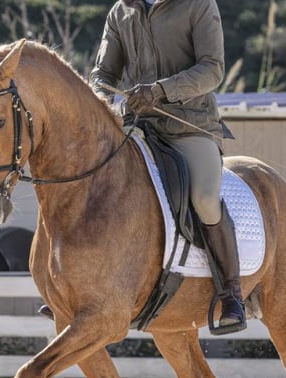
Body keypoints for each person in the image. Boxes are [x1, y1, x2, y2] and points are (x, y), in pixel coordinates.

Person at [89, 0, 246, 334]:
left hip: (188, 126)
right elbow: (104, 74)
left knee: (204, 198)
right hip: (136, 126)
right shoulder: (121, 11)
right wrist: (97, 100)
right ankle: (80, 285)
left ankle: (231, 294)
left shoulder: (198, 5)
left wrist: (161, 91)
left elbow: (212, 68)